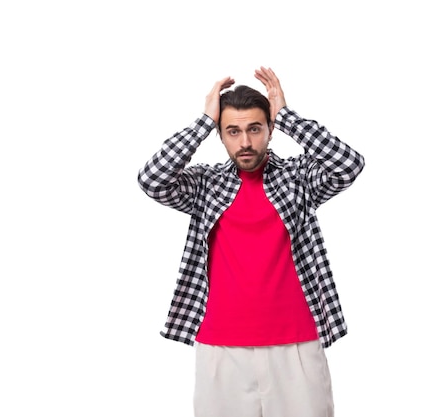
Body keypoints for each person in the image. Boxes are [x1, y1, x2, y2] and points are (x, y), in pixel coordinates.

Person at [138, 67, 365, 417]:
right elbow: (152, 179)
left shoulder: (298, 178)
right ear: (221, 136)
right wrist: (203, 123)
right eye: (233, 131)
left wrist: (288, 116)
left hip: (297, 345)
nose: (245, 142)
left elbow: (348, 165)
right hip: (221, 348)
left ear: (270, 130)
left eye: (255, 129)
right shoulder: (206, 185)